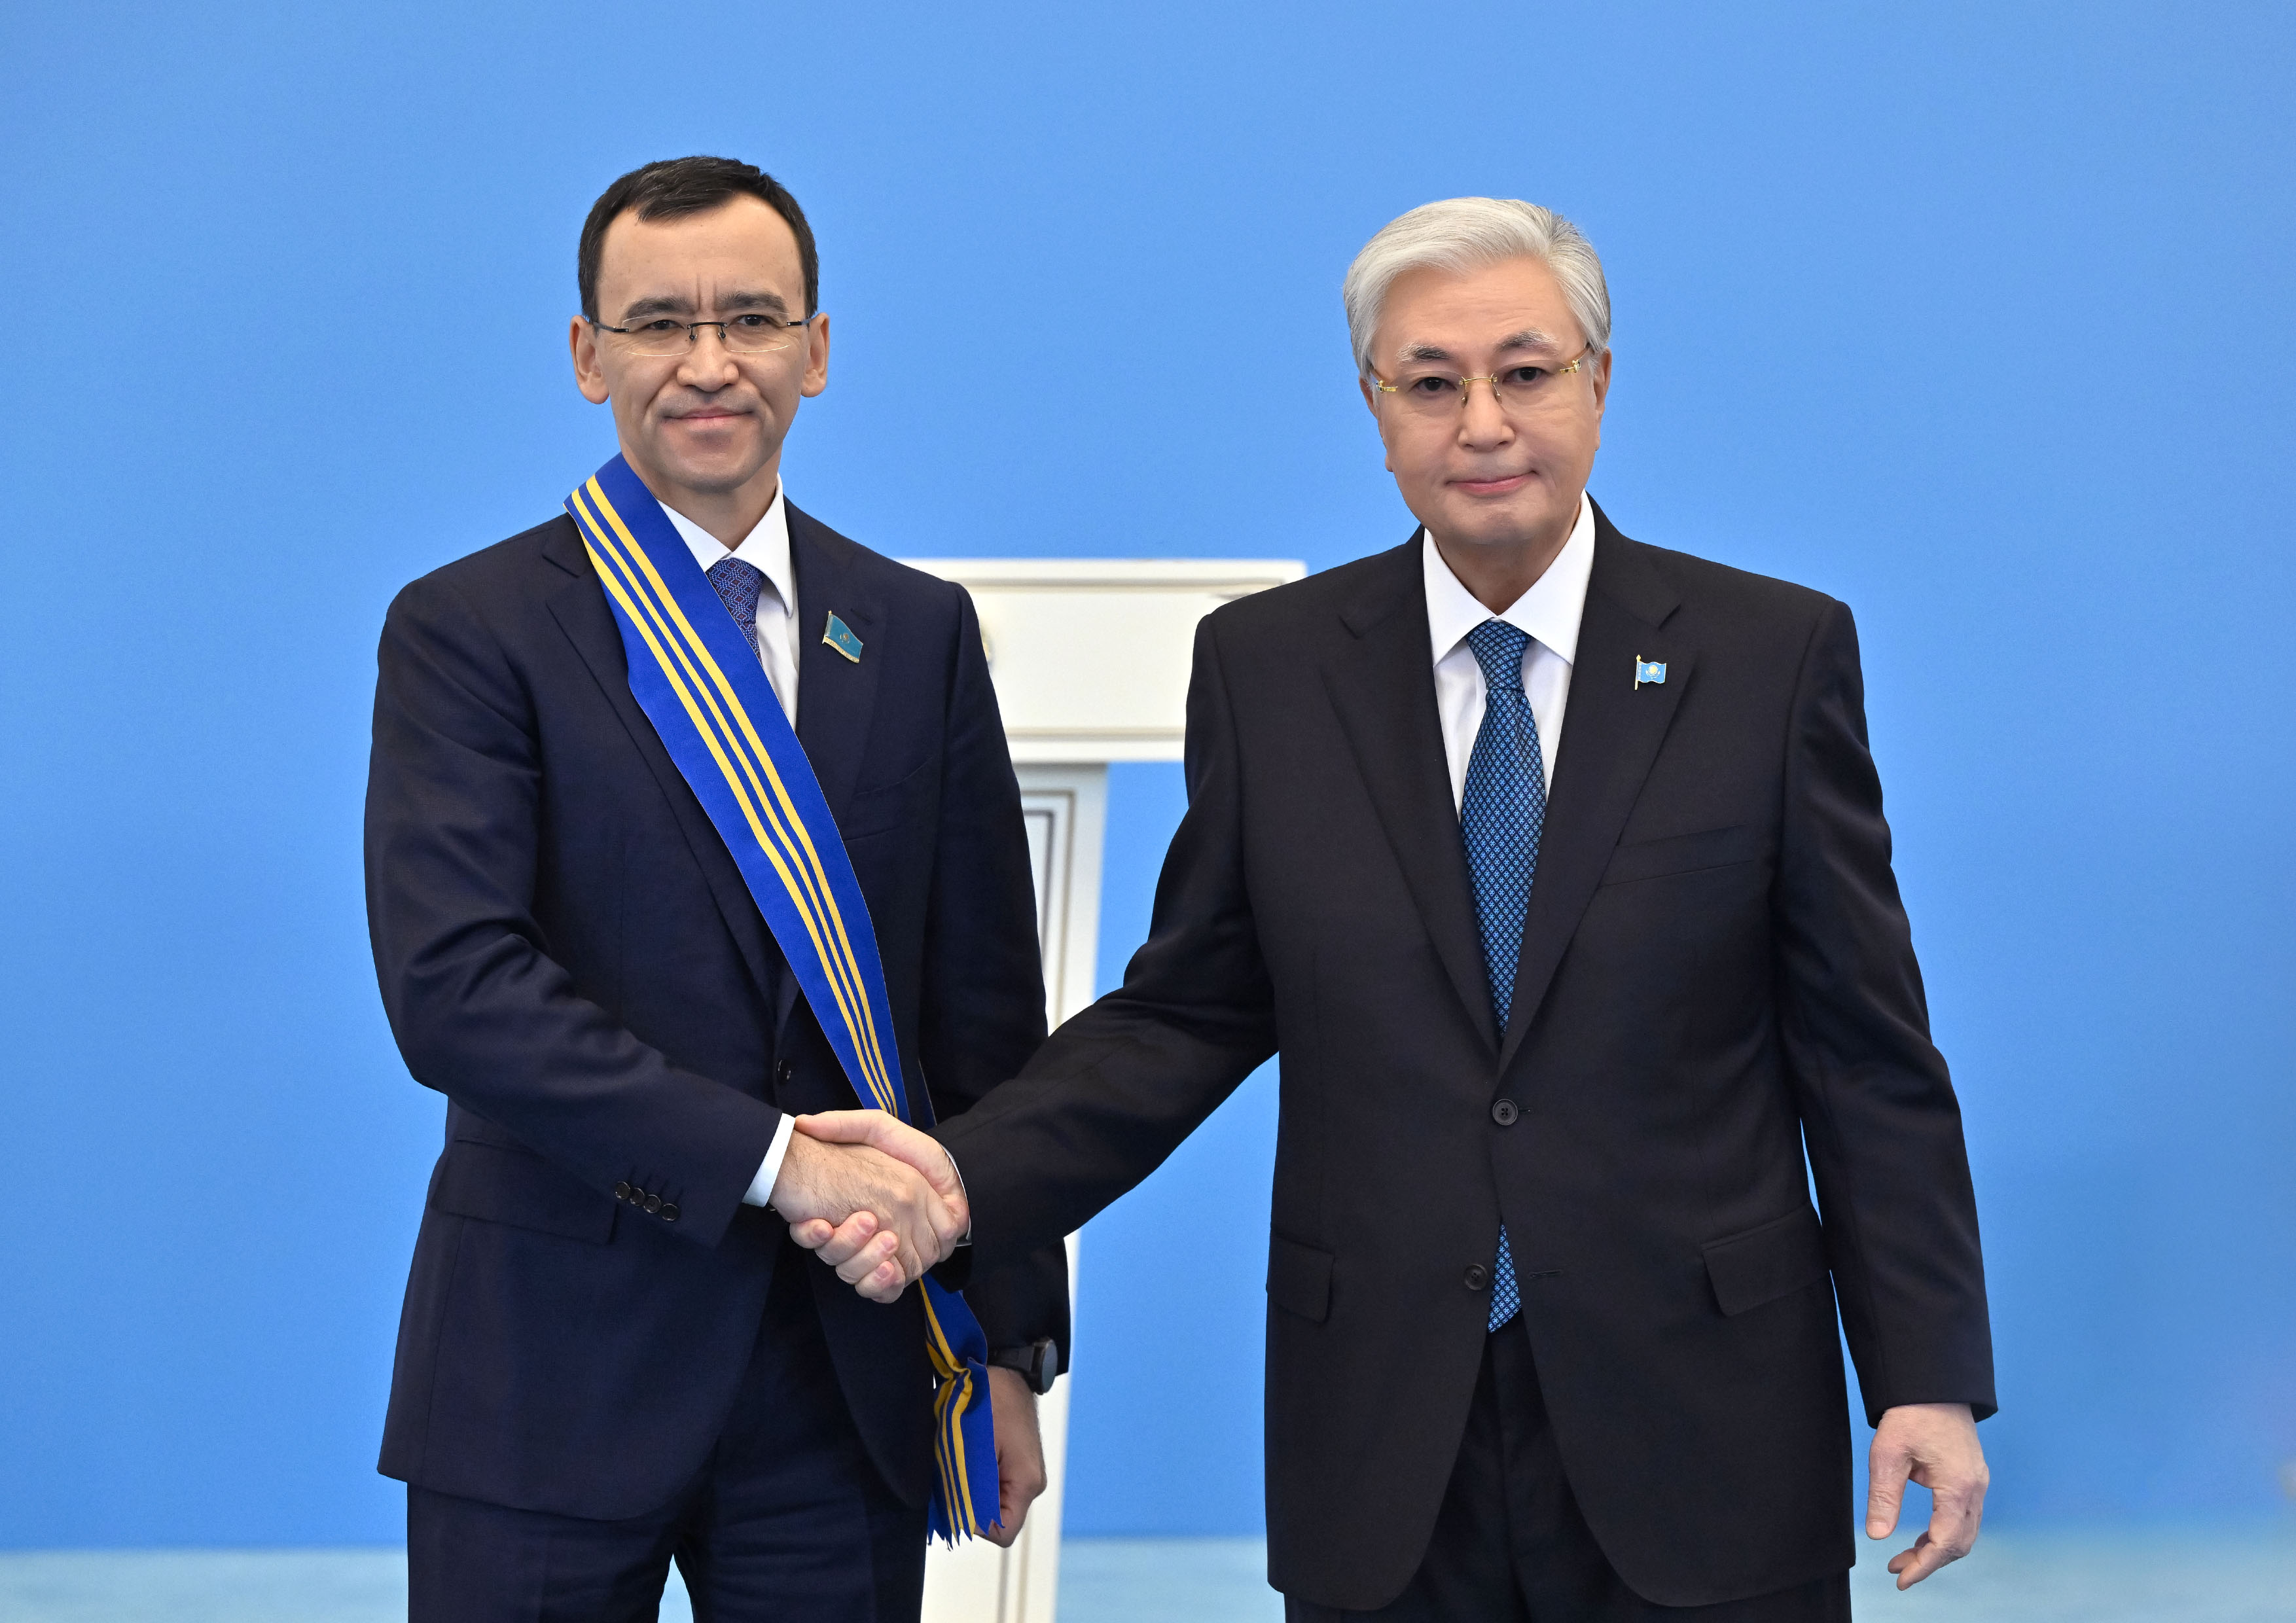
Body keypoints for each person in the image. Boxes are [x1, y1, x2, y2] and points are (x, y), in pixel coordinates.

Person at [794, 198, 1995, 1619]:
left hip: (1702, 1421)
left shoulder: (1768, 657)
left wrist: (1922, 1374)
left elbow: (1863, 1052)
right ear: (1375, 408)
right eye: (1431, 383)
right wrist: (951, 1182)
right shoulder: (1270, 669)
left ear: (1599, 383)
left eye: (1525, 372)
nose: (1482, 422)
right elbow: (1184, 1015)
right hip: (1382, 1433)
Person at [364, 154, 1067, 1622]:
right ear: (587, 355)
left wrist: (1006, 1345)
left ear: (816, 350)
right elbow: (459, 994)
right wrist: (776, 1161)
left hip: (848, 1377)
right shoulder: (470, 629)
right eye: (657, 324)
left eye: (750, 318)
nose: (707, 362)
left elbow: (984, 1012)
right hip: (550, 1369)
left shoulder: (916, 632)